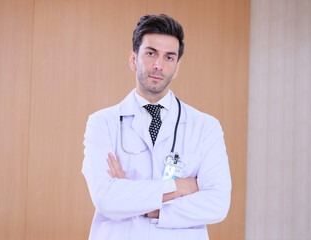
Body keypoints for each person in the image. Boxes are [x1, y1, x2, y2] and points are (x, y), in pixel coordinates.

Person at [82, 14, 231, 240]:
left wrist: (143, 204)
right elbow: (106, 199)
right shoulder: (102, 123)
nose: (158, 65)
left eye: (169, 57)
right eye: (150, 53)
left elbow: (217, 204)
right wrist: (179, 187)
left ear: (177, 67)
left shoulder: (205, 127)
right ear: (133, 59)